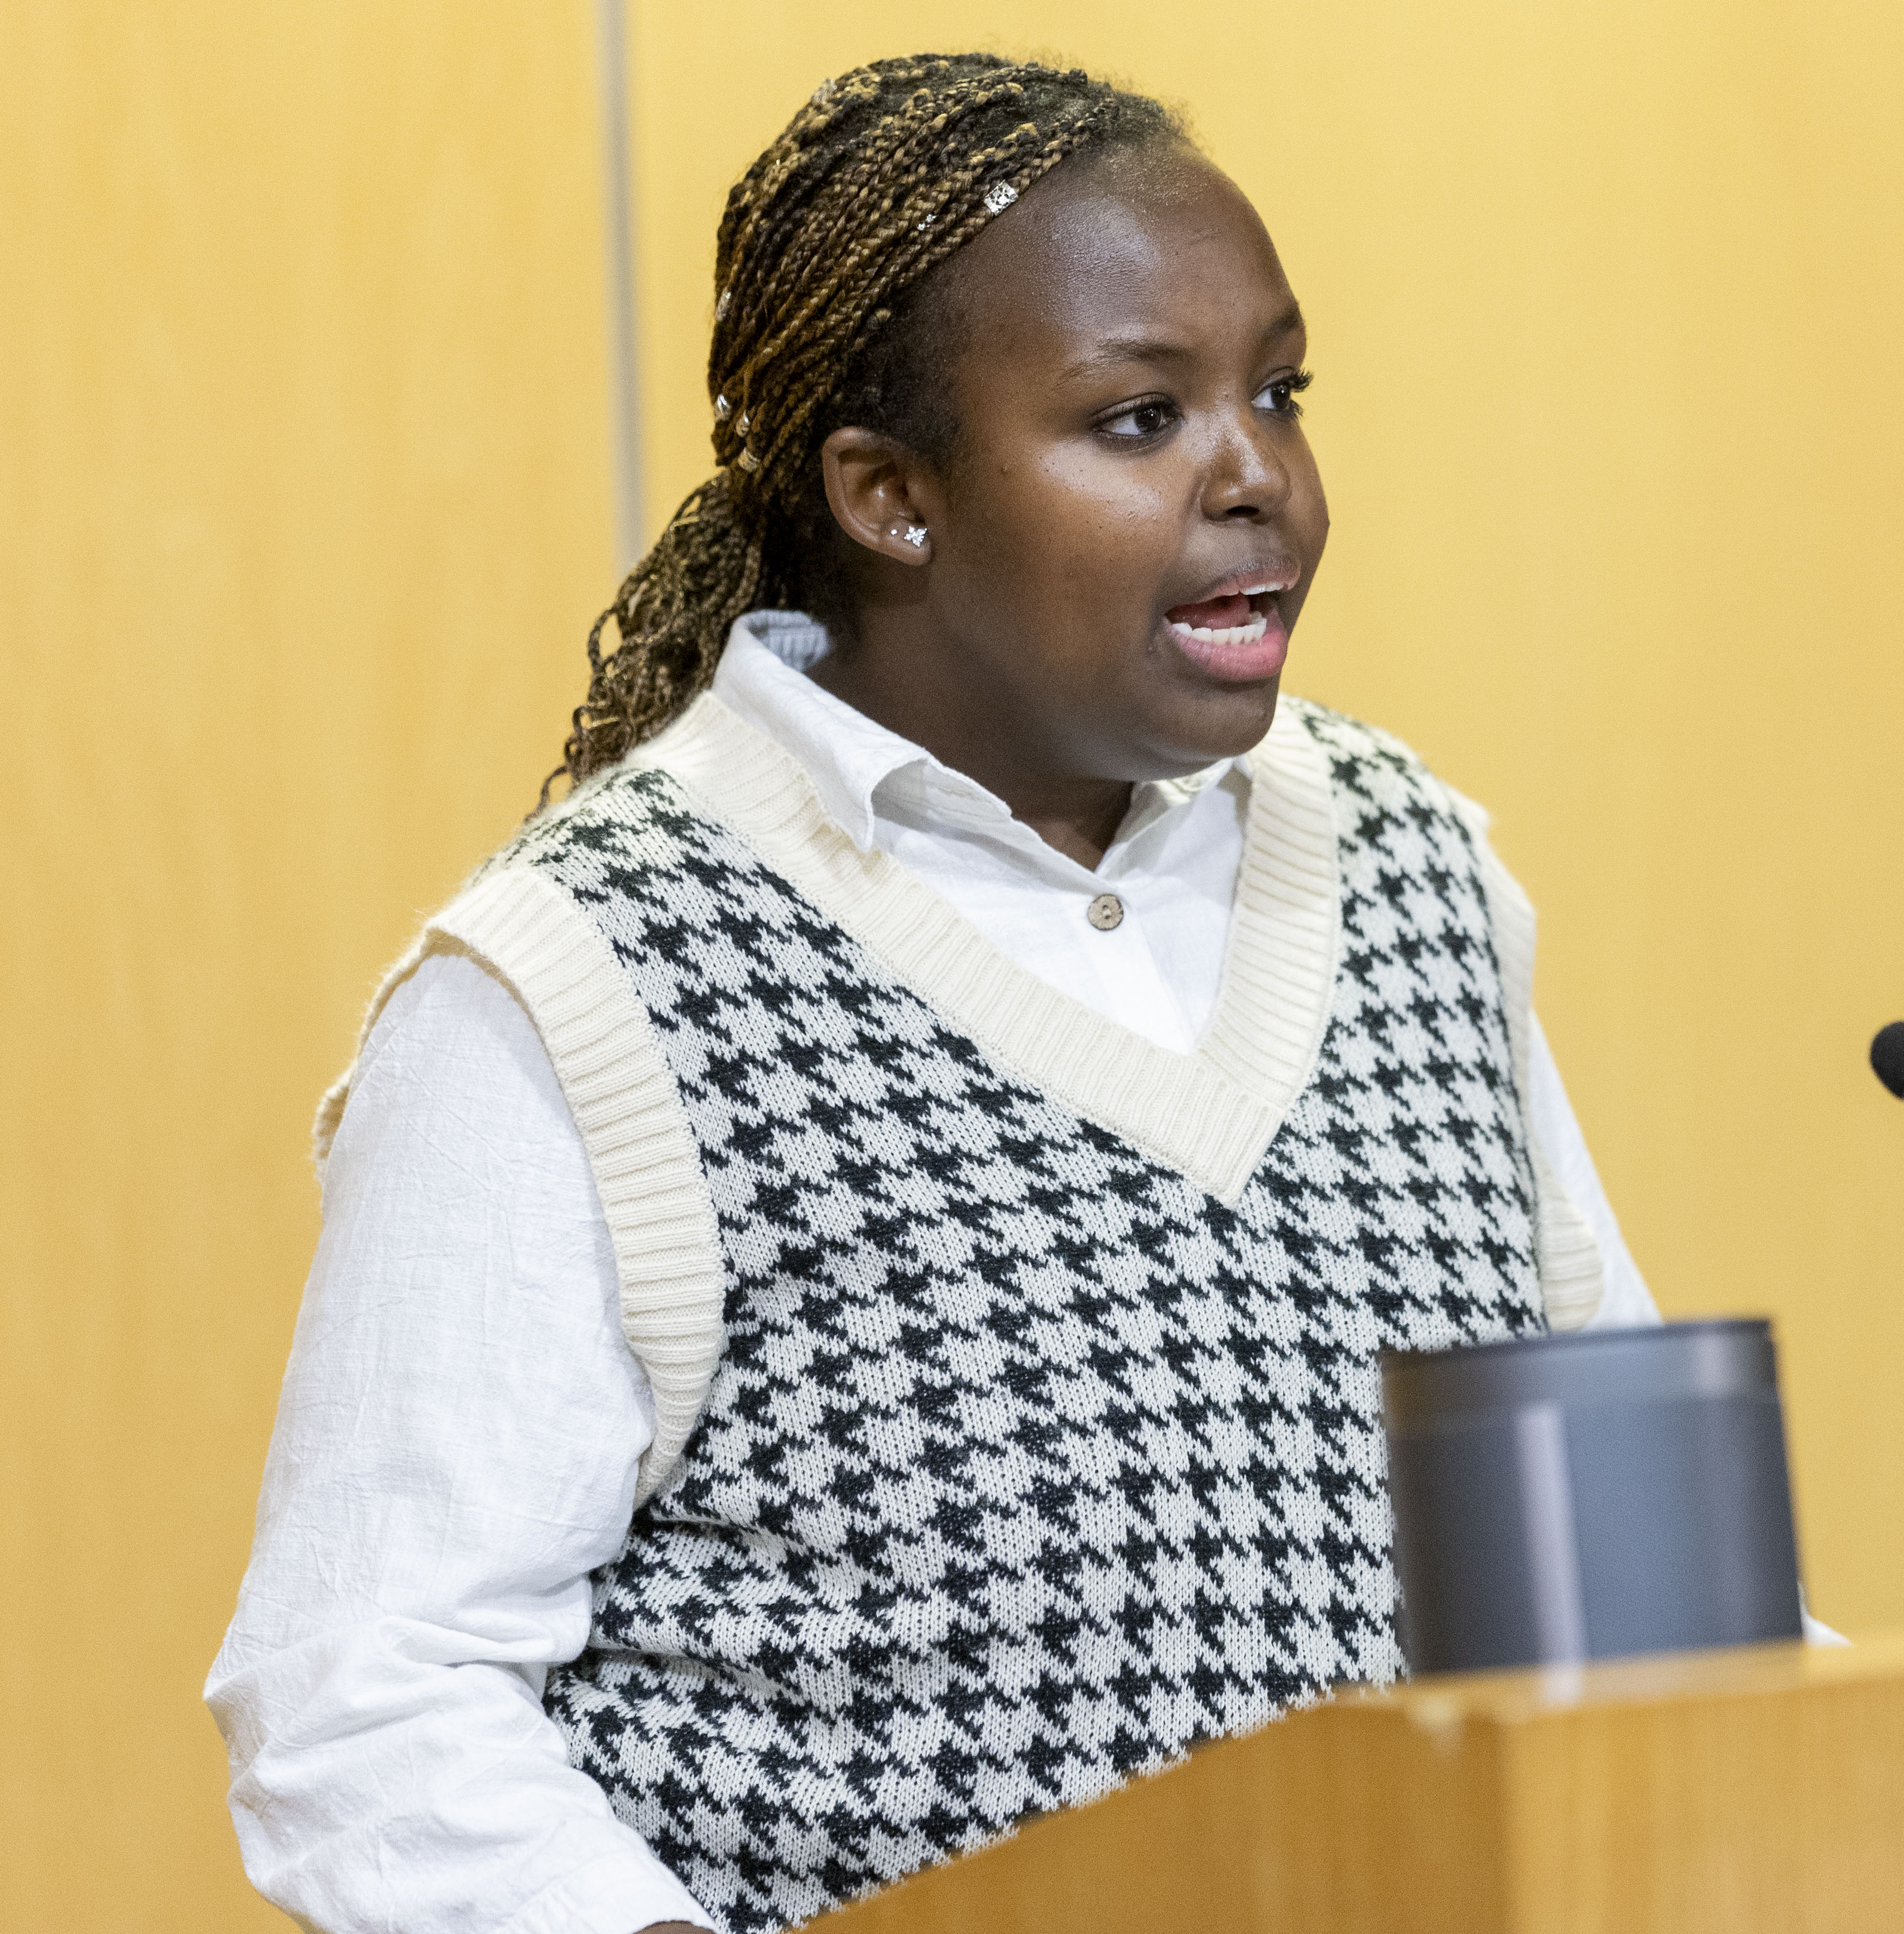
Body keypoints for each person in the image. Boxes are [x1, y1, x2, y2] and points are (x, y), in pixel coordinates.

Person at [206, 52, 1661, 1934]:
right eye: (1141, 418)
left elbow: (1650, 1575)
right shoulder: (587, 977)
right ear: (891, 495)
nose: (1259, 478)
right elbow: (368, 1701)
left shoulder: (1411, 863)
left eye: (1279, 393)